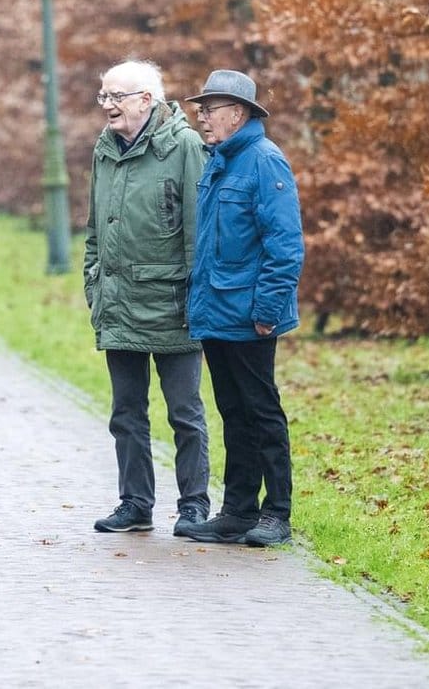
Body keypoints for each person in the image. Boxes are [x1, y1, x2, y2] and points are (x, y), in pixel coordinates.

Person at [82, 60, 211, 538]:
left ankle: (194, 505)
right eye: (103, 96)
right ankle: (135, 503)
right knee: (126, 412)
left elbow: (201, 231)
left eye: (117, 96)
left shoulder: (186, 146)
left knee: (185, 412)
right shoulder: (104, 149)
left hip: (174, 304)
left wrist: (198, 300)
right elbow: (96, 228)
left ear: (146, 100)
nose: (108, 106)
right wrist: (94, 283)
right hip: (118, 301)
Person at [178, 69, 304, 548]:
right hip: (217, 312)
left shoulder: (265, 161)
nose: (201, 117)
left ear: (239, 113)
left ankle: (277, 513)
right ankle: (237, 511)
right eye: (201, 109)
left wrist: (267, 310)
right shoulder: (219, 160)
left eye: (209, 110)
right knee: (233, 411)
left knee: (262, 411)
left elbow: (285, 245)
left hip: (251, 316)